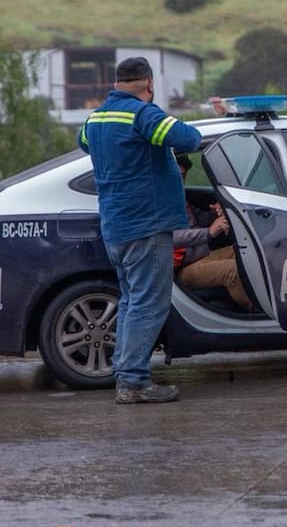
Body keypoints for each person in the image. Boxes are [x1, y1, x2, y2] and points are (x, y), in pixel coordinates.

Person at [78, 57, 201, 404]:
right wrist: (152, 110)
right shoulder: (142, 115)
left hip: (116, 226)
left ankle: (125, 373)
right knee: (148, 304)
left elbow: (85, 143)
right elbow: (189, 139)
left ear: (116, 83)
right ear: (149, 83)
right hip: (146, 224)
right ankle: (133, 382)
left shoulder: (96, 118)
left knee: (133, 302)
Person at [172, 155, 252, 311]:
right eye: (177, 176)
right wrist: (209, 232)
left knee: (245, 254)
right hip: (181, 269)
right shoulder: (161, 204)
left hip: (199, 256)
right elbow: (172, 237)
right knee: (233, 271)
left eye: (183, 176)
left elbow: (198, 219)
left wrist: (217, 212)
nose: (181, 180)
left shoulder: (179, 199)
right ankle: (257, 313)